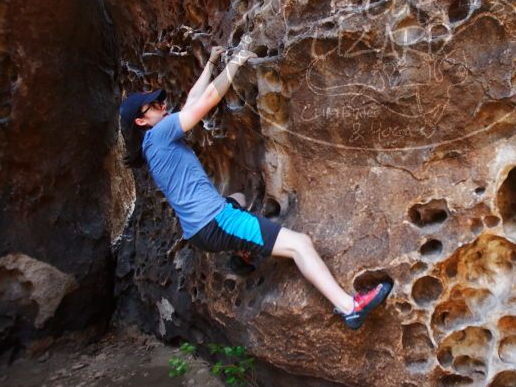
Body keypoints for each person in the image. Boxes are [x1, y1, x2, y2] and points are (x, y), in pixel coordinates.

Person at [119, 40, 391, 329]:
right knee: (300, 244)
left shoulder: (154, 143)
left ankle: (242, 256)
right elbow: (207, 99)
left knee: (236, 195)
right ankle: (349, 307)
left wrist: (212, 63)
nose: (162, 106)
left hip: (199, 230)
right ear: (140, 121)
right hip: (216, 221)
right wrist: (237, 60)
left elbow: (192, 101)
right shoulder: (161, 133)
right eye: (154, 106)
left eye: (161, 102)